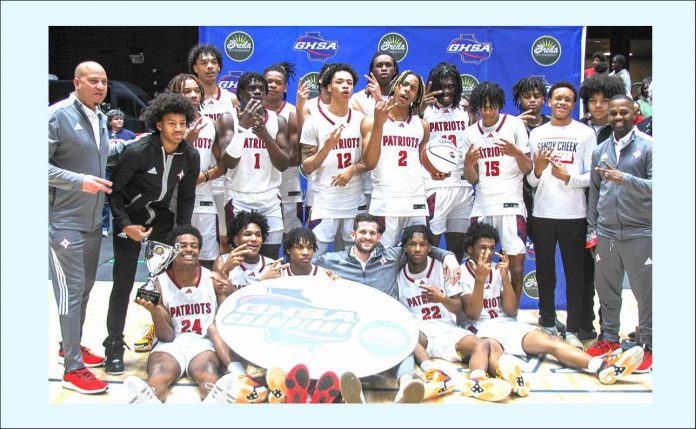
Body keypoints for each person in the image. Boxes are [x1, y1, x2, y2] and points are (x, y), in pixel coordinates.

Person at [459, 222, 645, 397]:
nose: (488, 252)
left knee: (550, 341)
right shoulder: (461, 272)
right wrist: (480, 279)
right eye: (482, 248)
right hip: (480, 328)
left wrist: (505, 278)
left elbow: (510, 308)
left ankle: (601, 367)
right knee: (493, 350)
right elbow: (473, 314)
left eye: (492, 248)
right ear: (470, 249)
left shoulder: (499, 268)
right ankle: (511, 381)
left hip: (505, 323)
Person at [315, 213, 462, 403]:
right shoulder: (333, 260)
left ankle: (406, 386)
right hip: (352, 324)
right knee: (344, 345)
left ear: (379, 237)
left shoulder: (392, 256)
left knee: (402, 342)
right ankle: (354, 392)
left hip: (385, 322)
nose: (367, 237)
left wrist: (448, 256)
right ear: (353, 234)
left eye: (372, 233)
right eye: (363, 232)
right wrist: (321, 274)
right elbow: (304, 267)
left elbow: (421, 248)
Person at [103, 92, 201, 375]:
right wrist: (124, 225)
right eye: (172, 123)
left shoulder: (190, 155)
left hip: (162, 223)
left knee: (168, 285)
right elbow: (115, 193)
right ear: (159, 124)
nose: (179, 129)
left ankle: (171, 339)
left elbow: (185, 198)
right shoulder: (137, 151)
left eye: (183, 123)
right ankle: (114, 343)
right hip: (131, 222)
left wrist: (181, 233)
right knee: (122, 284)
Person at [123, 225, 267, 404]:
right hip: (171, 344)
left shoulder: (213, 278)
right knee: (159, 370)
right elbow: (166, 336)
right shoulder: (159, 283)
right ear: (171, 251)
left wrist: (228, 293)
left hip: (203, 343)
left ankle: (214, 402)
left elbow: (223, 320)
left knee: (208, 371)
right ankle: (148, 400)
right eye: (182, 245)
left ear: (199, 250)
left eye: (194, 245)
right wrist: (154, 311)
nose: (189, 249)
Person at [49, 61, 111, 394]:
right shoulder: (57, 115)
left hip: (92, 222)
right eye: (93, 81)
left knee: (85, 289)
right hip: (64, 223)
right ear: (76, 82)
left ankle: (68, 345)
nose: (100, 86)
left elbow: (99, 158)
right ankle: (72, 368)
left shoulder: (100, 117)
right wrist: (79, 181)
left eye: (103, 81)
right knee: (70, 294)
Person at [396, 225, 512, 402]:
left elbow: (458, 307)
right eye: (412, 244)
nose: (418, 249)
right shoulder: (398, 275)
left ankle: (477, 382)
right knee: (406, 334)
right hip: (421, 334)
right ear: (404, 247)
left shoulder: (444, 268)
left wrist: (441, 299)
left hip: (446, 328)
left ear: (430, 247)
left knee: (481, 344)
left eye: (423, 244)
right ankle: (432, 374)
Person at [585, 95, 652, 374]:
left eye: (623, 112)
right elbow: (594, 192)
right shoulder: (600, 150)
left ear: (634, 112)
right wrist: (592, 229)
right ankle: (609, 339)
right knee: (607, 292)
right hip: (607, 233)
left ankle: (649, 345)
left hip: (641, 232)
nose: (617, 117)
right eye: (613, 113)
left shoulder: (649, 147)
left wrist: (624, 178)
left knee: (646, 294)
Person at [526, 82, 597, 341]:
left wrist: (570, 178)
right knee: (545, 272)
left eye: (567, 99)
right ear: (549, 101)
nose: (562, 103)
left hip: (574, 214)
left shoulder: (585, 133)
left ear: (574, 103)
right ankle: (546, 320)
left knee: (575, 274)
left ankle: (575, 327)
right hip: (543, 212)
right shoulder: (537, 134)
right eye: (557, 99)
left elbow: (593, 176)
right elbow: (532, 182)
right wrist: (539, 168)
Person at [461, 81, 532, 306]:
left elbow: (528, 168)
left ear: (500, 105)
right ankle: (480, 312)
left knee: (516, 266)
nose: (489, 111)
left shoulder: (514, 125)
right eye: (484, 106)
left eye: (493, 106)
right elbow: (472, 179)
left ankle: (513, 314)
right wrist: (468, 164)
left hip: (511, 204)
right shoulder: (470, 133)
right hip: (483, 204)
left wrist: (516, 152)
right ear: (477, 107)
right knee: (478, 264)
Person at [220, 72, 291, 260]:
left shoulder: (279, 121)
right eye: (252, 88)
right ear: (241, 93)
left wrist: (267, 138)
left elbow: (284, 164)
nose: (257, 91)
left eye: (261, 88)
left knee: (271, 256)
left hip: (269, 199)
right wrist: (242, 129)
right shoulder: (229, 119)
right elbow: (228, 162)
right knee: (238, 257)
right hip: (238, 197)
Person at [300, 63, 369, 257]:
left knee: (353, 260)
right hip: (325, 201)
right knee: (313, 257)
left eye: (349, 83)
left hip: (354, 200)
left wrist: (352, 170)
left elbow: (371, 159)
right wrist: (327, 147)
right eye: (339, 82)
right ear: (329, 87)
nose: (345, 86)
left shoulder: (361, 119)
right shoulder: (314, 120)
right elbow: (307, 167)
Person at [361, 70, 429, 246]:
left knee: (417, 257)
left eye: (413, 88)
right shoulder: (371, 120)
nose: (407, 90)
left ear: (417, 96)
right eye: (404, 84)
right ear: (395, 86)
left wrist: (437, 171)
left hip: (415, 201)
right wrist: (379, 124)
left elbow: (424, 162)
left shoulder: (422, 126)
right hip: (385, 201)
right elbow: (369, 162)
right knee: (381, 260)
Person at [188, 43, 239, 255]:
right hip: (194, 177)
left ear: (220, 67)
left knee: (225, 238)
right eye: (204, 63)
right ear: (194, 68)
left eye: (214, 62)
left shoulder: (231, 99)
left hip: (223, 174)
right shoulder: (187, 98)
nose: (209, 66)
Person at [420, 62, 474, 262]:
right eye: (442, 86)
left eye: (451, 86)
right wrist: (418, 108)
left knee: (458, 247)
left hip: (462, 183)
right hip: (435, 183)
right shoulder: (422, 109)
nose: (446, 91)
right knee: (431, 243)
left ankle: (453, 291)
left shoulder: (466, 107)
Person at [263, 62, 303, 240]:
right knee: (258, 230)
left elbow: (294, 158)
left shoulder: (292, 113)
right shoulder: (252, 112)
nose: (272, 85)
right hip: (259, 178)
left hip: (287, 178)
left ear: (285, 86)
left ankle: (290, 268)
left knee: (291, 234)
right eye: (268, 81)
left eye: (277, 82)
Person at [511, 75, 551, 244]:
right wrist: (512, 127)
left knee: (545, 250)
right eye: (527, 97)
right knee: (514, 249)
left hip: (547, 194)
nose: (532, 101)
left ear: (544, 99)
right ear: (519, 99)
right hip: (516, 194)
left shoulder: (553, 125)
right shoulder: (509, 125)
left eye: (537, 96)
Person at [212, 210, 287, 295]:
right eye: (248, 234)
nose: (254, 239)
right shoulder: (223, 261)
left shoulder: (273, 266)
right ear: (236, 240)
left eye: (258, 235)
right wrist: (226, 271)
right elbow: (220, 301)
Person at [103, 109, 136, 237]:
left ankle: (125, 226)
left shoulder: (130, 134)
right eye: (116, 119)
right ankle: (104, 227)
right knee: (105, 200)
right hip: (107, 169)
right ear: (110, 121)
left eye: (121, 118)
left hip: (123, 169)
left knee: (123, 198)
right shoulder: (104, 134)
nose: (120, 121)